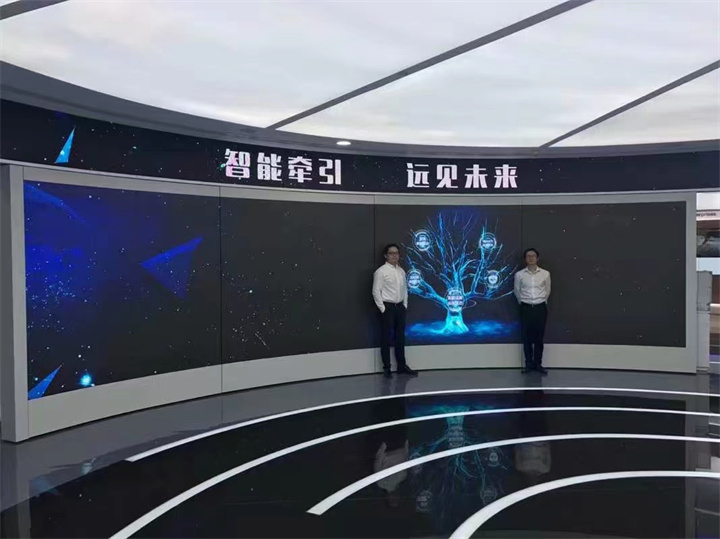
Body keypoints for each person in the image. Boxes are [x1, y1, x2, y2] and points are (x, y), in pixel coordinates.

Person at [373, 244, 418, 378]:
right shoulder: (381, 272)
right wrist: (383, 309)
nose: (394, 255)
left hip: (400, 307)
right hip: (388, 307)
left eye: (396, 253)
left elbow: (405, 290)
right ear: (386, 255)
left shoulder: (401, 271)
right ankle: (387, 368)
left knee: (400, 338)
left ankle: (401, 366)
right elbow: (376, 291)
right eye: (391, 253)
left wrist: (404, 305)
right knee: (386, 338)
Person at [514, 248, 551, 375]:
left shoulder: (545, 274)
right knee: (527, 338)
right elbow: (517, 291)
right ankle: (528, 364)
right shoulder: (519, 275)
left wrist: (540, 301)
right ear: (525, 259)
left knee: (539, 338)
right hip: (526, 308)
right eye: (528, 256)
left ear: (537, 258)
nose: (531, 258)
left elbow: (547, 291)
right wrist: (525, 302)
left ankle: (538, 364)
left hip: (540, 308)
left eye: (533, 255)